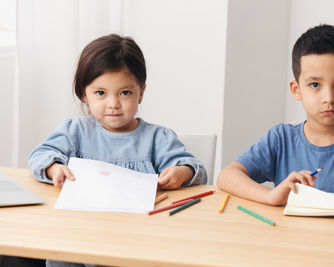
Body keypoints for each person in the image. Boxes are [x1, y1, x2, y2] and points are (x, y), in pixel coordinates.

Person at [28, 34, 206, 267]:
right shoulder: (75, 131)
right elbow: (39, 155)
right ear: (84, 94)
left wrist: (181, 172)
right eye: (100, 93)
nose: (113, 104)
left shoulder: (157, 138)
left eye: (125, 93)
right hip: (77, 237)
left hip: (136, 242)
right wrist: (54, 168)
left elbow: (194, 168)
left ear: (141, 92)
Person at [217, 24, 334, 215]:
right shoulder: (281, 139)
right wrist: (272, 196)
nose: (329, 97)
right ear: (297, 90)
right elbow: (227, 176)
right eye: (315, 84)